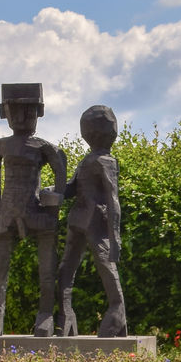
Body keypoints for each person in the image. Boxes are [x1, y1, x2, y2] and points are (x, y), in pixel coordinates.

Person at [0, 83, 66, 337]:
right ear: (4, 112)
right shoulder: (0, 146)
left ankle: (46, 314)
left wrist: (54, 200)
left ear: (38, 112)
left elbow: (61, 175)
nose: (21, 117)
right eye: (14, 111)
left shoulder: (44, 147)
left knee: (47, 268)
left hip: (38, 212)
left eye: (28, 111)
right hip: (7, 212)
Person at [57, 104, 128, 337]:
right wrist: (49, 192)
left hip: (95, 221)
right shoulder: (87, 160)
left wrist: (115, 236)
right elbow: (71, 189)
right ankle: (66, 314)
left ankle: (117, 310)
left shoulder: (107, 162)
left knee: (105, 264)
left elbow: (113, 198)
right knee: (66, 269)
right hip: (78, 219)